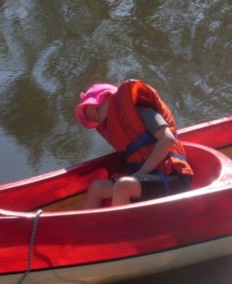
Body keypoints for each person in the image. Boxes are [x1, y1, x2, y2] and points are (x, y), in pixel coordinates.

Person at [75, 79, 193, 207]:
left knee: (123, 185)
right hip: (144, 179)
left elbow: (167, 139)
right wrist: (139, 175)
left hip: (172, 177)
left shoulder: (139, 107)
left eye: (97, 109)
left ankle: (122, 226)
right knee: (97, 188)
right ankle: (87, 226)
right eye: (94, 118)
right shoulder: (114, 127)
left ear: (111, 97)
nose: (96, 117)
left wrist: (141, 173)